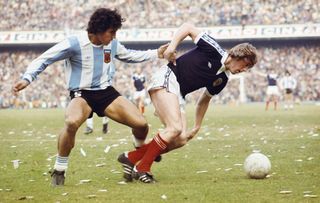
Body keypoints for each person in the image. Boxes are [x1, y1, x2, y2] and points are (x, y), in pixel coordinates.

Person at [12, 8, 168, 186]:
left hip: (105, 92)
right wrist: (27, 78)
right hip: (81, 94)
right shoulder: (74, 43)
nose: (114, 36)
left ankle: (137, 156)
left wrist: (157, 53)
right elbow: (44, 59)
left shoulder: (112, 44)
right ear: (99, 30)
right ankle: (59, 169)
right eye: (111, 32)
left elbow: (131, 55)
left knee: (141, 125)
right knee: (71, 123)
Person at [117, 23, 258, 183]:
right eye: (246, 65)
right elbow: (188, 28)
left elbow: (204, 100)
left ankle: (131, 158)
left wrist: (197, 125)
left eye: (248, 68)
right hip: (168, 77)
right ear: (238, 56)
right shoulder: (214, 50)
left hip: (178, 93)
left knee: (181, 138)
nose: (245, 70)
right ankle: (143, 168)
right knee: (175, 128)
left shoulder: (223, 79)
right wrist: (171, 47)